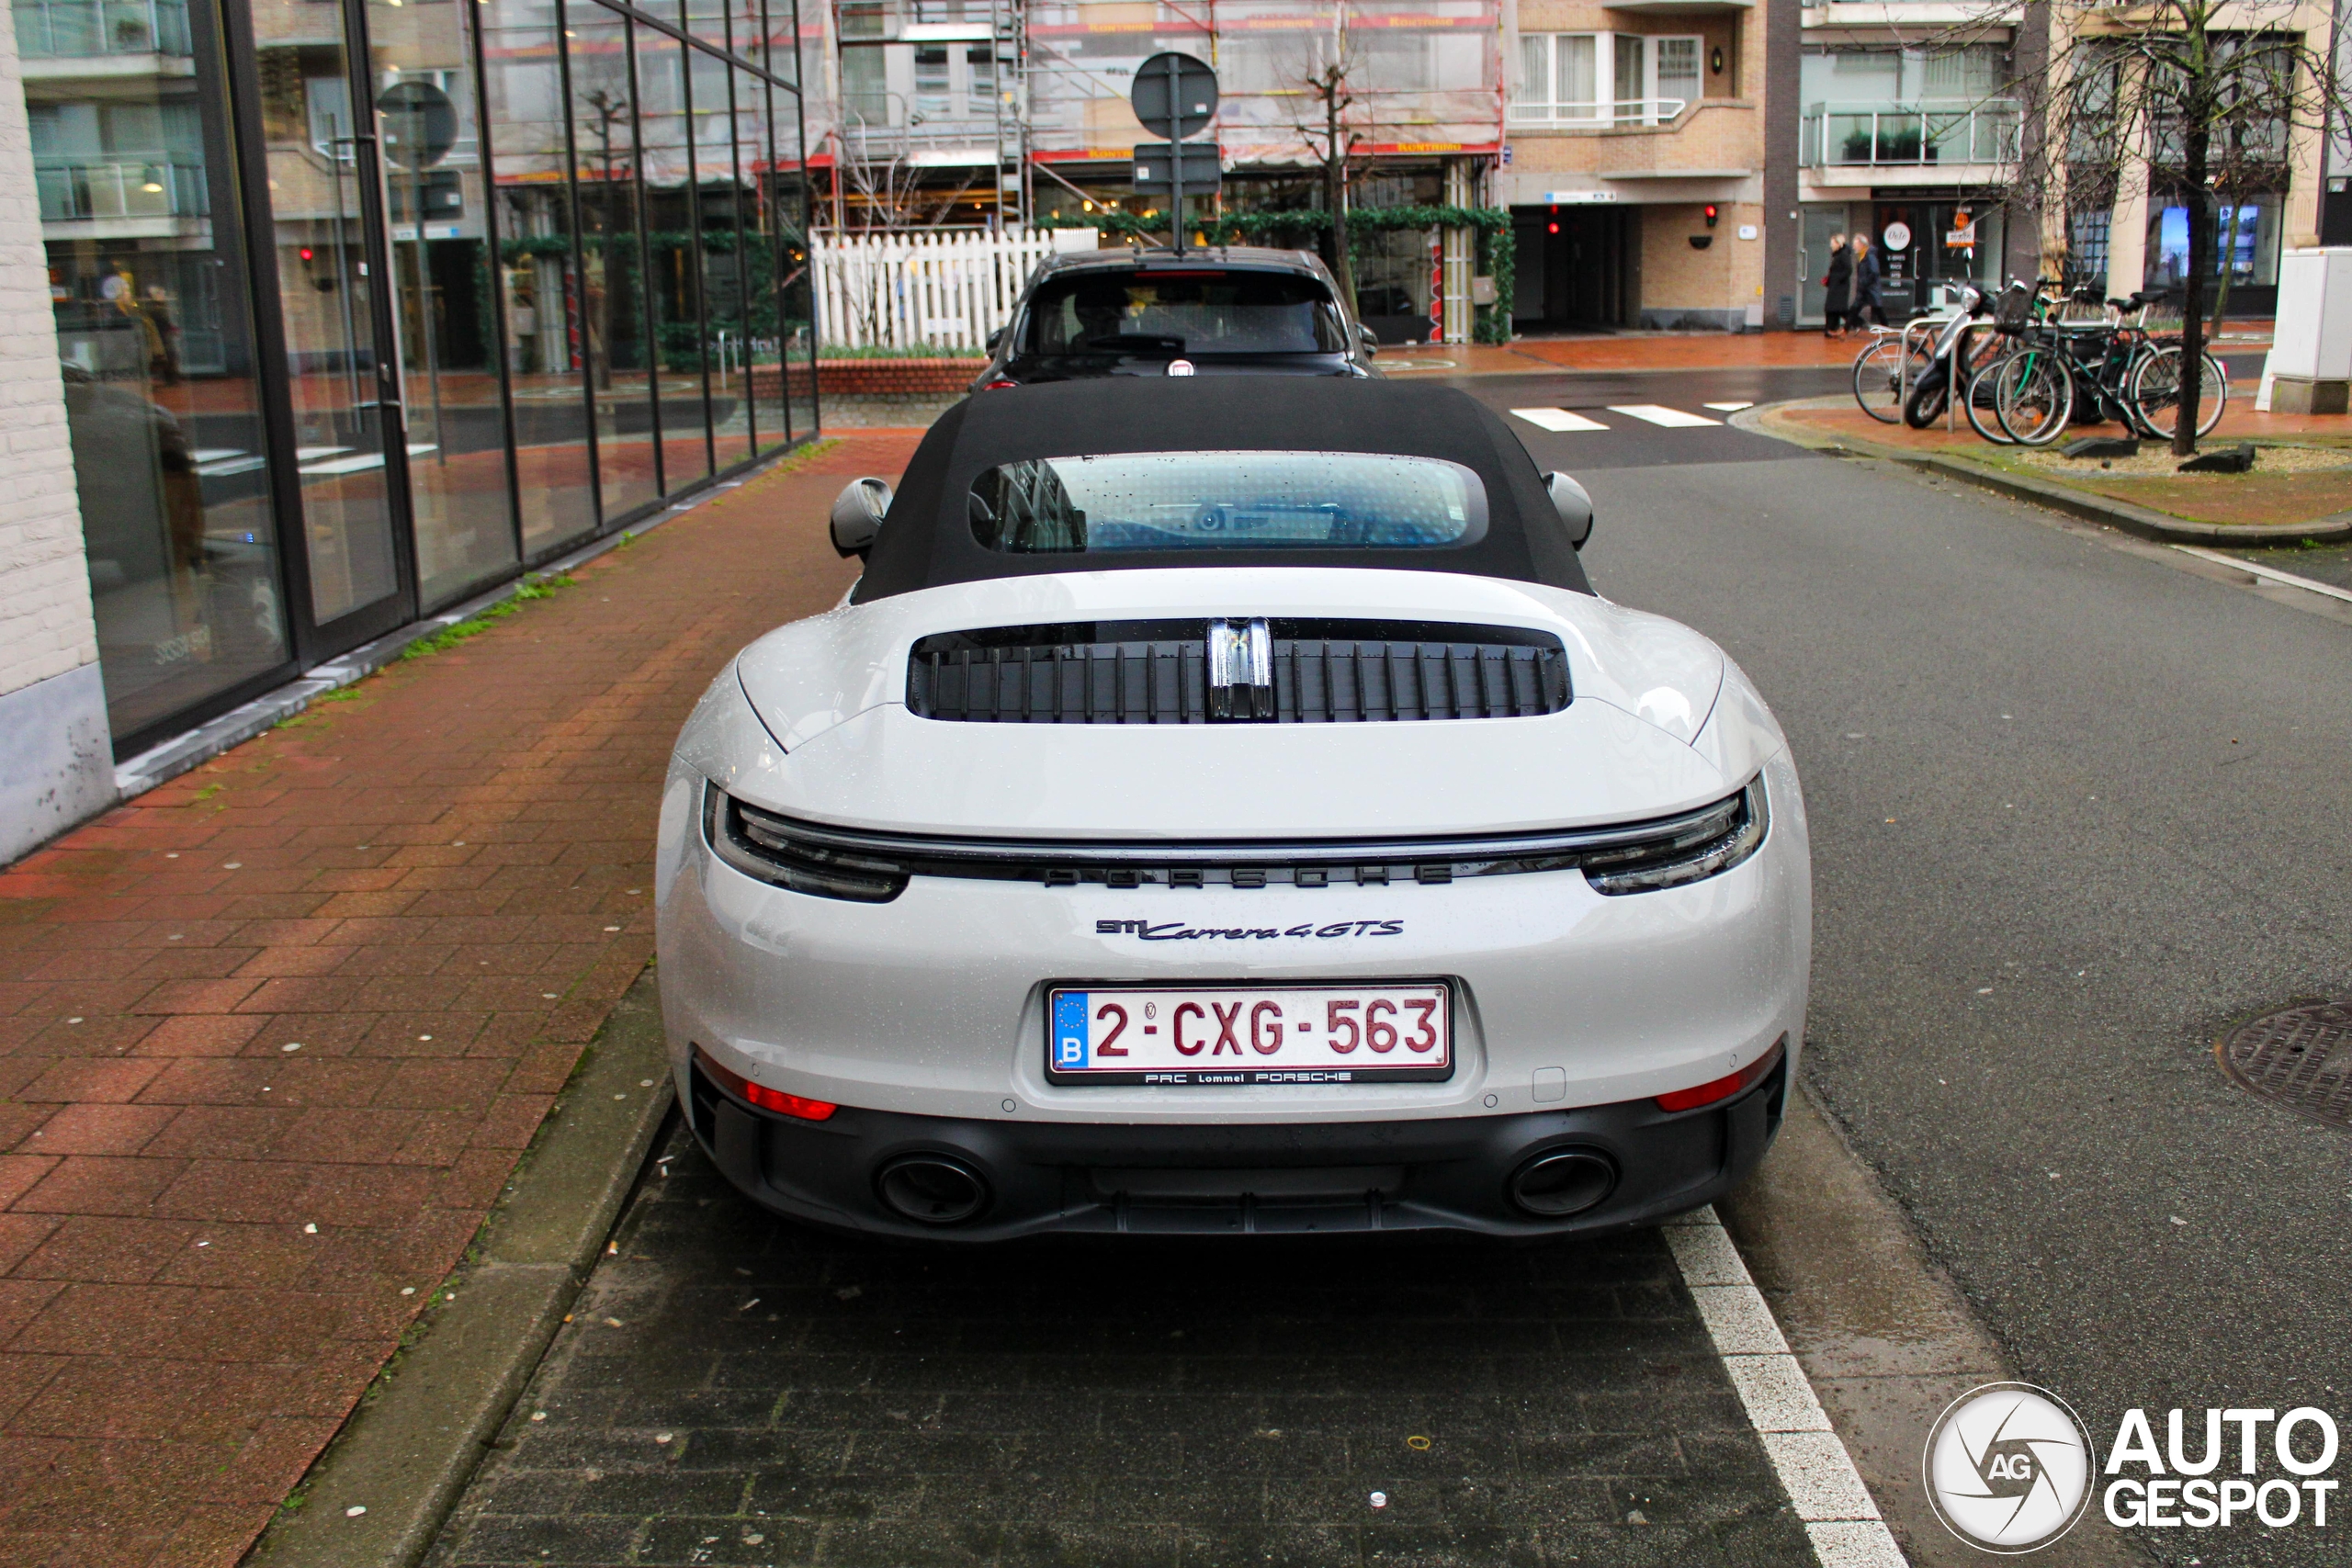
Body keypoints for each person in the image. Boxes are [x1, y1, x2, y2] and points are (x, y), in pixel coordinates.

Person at [1821, 233, 1852, 337]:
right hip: (1835, 286)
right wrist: (1829, 280)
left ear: (1838, 244)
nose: (1831, 246)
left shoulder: (1843, 255)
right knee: (1833, 309)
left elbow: (1848, 270)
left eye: (1833, 243)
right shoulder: (1838, 255)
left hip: (1839, 288)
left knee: (1836, 308)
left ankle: (1832, 329)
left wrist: (1837, 279)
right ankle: (1830, 329)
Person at [1850, 235, 1884, 329]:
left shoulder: (1869, 256)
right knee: (1854, 308)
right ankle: (1845, 330)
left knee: (1878, 310)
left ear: (1862, 244)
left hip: (1870, 289)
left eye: (1855, 245)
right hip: (1864, 289)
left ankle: (1887, 327)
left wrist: (1864, 282)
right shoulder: (1862, 256)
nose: (1854, 247)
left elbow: (1874, 272)